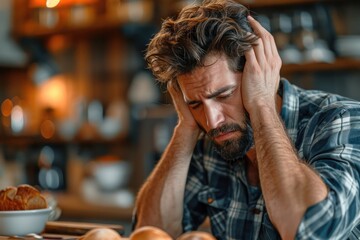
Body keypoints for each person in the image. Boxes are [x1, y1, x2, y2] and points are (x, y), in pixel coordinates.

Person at [133, 0, 360, 239]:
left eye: (223, 95)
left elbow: (311, 231)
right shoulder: (213, 139)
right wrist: (185, 128)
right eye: (196, 104)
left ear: (260, 72)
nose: (212, 121)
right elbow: (151, 233)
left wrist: (262, 104)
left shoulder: (343, 120)